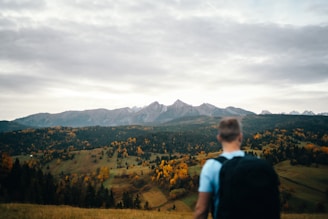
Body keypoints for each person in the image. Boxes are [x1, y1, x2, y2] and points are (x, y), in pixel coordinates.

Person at [194, 117, 244, 219]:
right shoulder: (257, 162)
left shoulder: (211, 166)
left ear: (219, 138)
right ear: (240, 137)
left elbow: (201, 210)